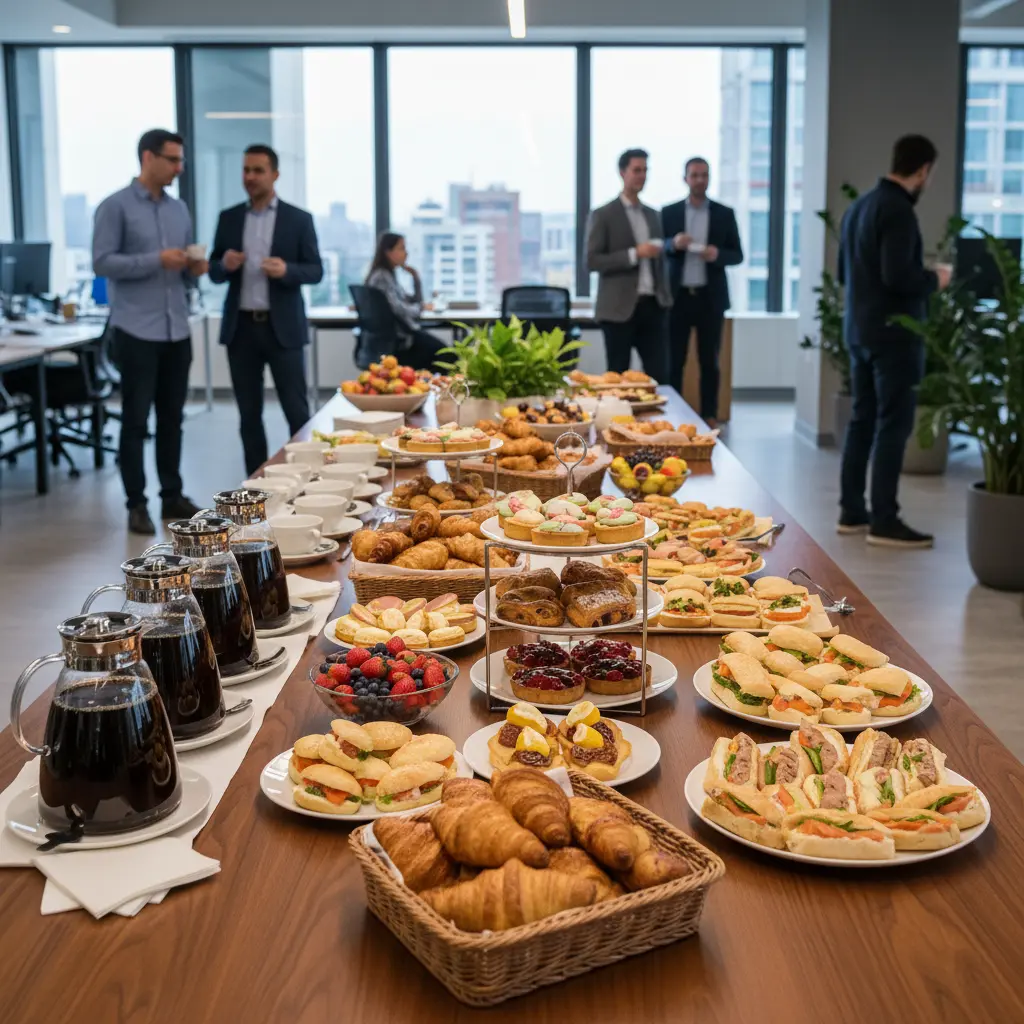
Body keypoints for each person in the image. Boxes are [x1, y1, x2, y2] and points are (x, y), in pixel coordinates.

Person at [837, 134, 951, 549]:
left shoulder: (859, 207)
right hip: (894, 337)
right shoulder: (898, 209)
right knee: (893, 423)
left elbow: (844, 274)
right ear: (923, 170)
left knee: (862, 420)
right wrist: (935, 279)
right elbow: (899, 277)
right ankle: (884, 520)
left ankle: (852, 512)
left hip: (859, 330)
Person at [92, 128, 206, 535]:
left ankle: (171, 495)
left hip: (176, 328)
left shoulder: (179, 210)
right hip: (136, 329)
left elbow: (182, 266)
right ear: (148, 157)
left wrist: (193, 268)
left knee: (172, 419)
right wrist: (156, 259)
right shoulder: (115, 206)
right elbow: (102, 262)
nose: (179, 168)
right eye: (172, 160)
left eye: (180, 160)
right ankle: (136, 504)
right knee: (136, 421)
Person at [209, 144, 324, 477]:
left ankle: (307, 479)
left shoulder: (298, 219)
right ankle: (257, 486)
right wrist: (224, 264)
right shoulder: (229, 218)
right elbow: (214, 271)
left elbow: (315, 271)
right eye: (246, 170)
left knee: (296, 410)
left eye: (258, 170)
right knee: (249, 415)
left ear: (275, 174)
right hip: (241, 329)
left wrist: (287, 270)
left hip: (283, 328)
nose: (250, 177)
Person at [662, 157, 744, 426]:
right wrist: (673, 244)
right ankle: (672, 415)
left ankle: (709, 415)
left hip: (710, 298)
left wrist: (717, 254)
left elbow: (737, 255)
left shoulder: (724, 213)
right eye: (694, 175)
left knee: (710, 361)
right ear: (685, 178)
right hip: (677, 298)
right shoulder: (669, 213)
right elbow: (658, 247)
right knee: (674, 361)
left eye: (704, 175)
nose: (700, 180)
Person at [586, 149, 671, 379]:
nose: (642, 176)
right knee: (617, 376)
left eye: (645, 170)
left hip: (653, 306)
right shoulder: (603, 214)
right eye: (637, 170)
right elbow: (592, 260)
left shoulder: (653, 215)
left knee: (660, 376)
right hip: (618, 310)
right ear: (622, 173)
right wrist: (634, 254)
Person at [363, 233, 446, 369]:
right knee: (446, 355)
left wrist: (415, 278)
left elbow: (410, 301)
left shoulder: (388, 275)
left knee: (443, 352)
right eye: (401, 248)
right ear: (388, 252)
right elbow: (398, 309)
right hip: (400, 341)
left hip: (399, 337)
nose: (406, 253)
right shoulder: (382, 277)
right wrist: (421, 308)